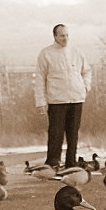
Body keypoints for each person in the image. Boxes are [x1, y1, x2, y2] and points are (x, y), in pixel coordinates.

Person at [35, 24, 92, 169]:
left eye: (67, 35)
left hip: (76, 98)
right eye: (61, 35)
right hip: (57, 99)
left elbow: (87, 71)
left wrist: (85, 87)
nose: (65, 38)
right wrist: (40, 101)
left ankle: (70, 162)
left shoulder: (76, 52)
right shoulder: (46, 54)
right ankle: (53, 162)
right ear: (55, 36)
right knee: (56, 132)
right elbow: (40, 78)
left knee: (73, 132)